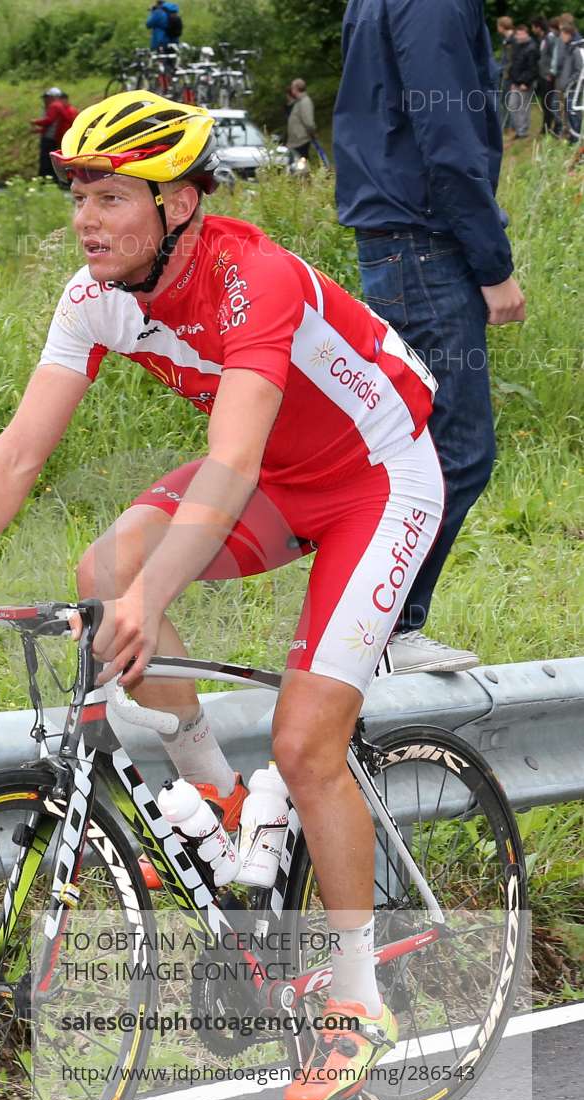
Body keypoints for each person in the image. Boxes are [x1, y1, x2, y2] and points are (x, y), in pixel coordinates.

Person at [0, 90, 448, 1100]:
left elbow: (229, 461)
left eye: (111, 198)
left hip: (378, 479)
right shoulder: (94, 296)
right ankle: (223, 804)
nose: (85, 220)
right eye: (77, 197)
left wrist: (155, 592)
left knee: (305, 741)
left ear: (176, 203)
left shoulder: (250, 278)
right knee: (105, 570)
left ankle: (358, 1005)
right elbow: (18, 453)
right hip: (276, 479)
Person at [333, 0, 526, 674]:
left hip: (399, 237)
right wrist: (493, 264)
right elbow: (446, 134)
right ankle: (381, 629)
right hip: (424, 242)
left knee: (412, 442)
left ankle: (371, 628)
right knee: (456, 449)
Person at [32, 88, 75, 181]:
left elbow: (49, 120)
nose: (45, 100)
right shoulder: (62, 107)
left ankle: (45, 179)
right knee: (53, 160)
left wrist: (35, 122)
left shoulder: (55, 106)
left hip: (51, 138)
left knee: (46, 160)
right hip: (57, 137)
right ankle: (53, 179)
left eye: (47, 97)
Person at [508, 22, 540, 137]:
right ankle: (518, 129)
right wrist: (513, 81)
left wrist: (525, 82)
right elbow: (514, 65)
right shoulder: (517, 46)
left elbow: (533, 68)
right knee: (512, 105)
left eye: (521, 34)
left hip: (525, 84)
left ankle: (522, 132)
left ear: (527, 34)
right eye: (518, 34)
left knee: (523, 108)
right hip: (515, 82)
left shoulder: (532, 48)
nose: (519, 37)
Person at [531, 15, 561, 133]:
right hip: (543, 75)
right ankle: (546, 127)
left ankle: (551, 127)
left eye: (533, 27)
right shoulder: (543, 38)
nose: (532, 29)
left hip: (549, 76)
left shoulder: (550, 38)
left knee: (549, 103)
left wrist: (551, 73)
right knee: (545, 103)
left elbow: (555, 55)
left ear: (538, 27)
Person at [557, 16, 584, 138]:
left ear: (568, 34)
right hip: (568, 88)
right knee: (569, 112)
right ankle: (572, 136)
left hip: (573, 88)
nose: (561, 37)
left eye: (562, 34)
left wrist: (569, 83)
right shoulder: (570, 47)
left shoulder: (576, 50)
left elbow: (579, 71)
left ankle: (576, 138)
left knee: (574, 112)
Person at [496, 15, 516, 128]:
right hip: (504, 73)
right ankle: (506, 124)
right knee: (504, 100)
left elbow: (511, 60)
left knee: (507, 100)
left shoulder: (512, 41)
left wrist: (506, 73)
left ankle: (509, 125)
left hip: (509, 75)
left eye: (498, 25)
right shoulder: (506, 40)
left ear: (502, 26)